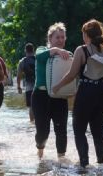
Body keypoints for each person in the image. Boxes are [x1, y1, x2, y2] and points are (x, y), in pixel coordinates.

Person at [53, 19, 103, 167]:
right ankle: (101, 165)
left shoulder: (82, 50)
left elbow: (72, 74)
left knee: (79, 130)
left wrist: (58, 86)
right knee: (98, 131)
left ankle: (84, 165)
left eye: (83, 34)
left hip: (87, 92)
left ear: (86, 35)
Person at [32, 22, 70, 158]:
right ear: (50, 39)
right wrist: (57, 51)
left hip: (60, 97)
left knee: (61, 130)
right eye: (57, 37)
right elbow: (39, 57)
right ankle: (40, 150)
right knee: (43, 132)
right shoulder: (41, 50)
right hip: (40, 97)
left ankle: (61, 159)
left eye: (62, 37)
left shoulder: (68, 55)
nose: (60, 40)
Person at [17, 43, 36, 122]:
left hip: (29, 87)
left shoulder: (22, 61)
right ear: (33, 50)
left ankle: (32, 123)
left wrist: (19, 86)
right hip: (40, 86)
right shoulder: (38, 59)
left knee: (31, 106)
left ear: (25, 50)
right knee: (41, 106)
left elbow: (19, 76)